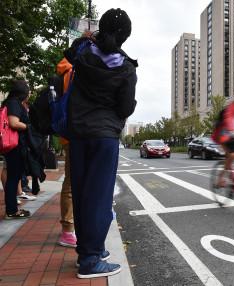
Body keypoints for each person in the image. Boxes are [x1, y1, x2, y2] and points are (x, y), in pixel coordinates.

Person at [65, 8, 137, 279]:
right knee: (98, 197)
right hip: (104, 136)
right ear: (125, 36)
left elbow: (68, 54)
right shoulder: (126, 67)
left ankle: (87, 250)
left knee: (83, 194)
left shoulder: (83, 52)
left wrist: (88, 37)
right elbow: (125, 107)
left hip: (78, 132)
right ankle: (91, 259)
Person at [2, 80, 31, 219]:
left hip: (14, 145)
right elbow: (14, 123)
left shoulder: (11, 102)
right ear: (23, 92)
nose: (29, 93)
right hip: (14, 145)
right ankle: (12, 211)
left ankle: (12, 209)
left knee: (14, 177)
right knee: (13, 178)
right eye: (28, 90)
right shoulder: (13, 103)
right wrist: (29, 127)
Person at [56, 57, 77, 248]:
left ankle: (70, 228)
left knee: (72, 181)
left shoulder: (65, 71)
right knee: (72, 182)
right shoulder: (73, 72)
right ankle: (68, 230)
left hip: (68, 132)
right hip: (77, 132)